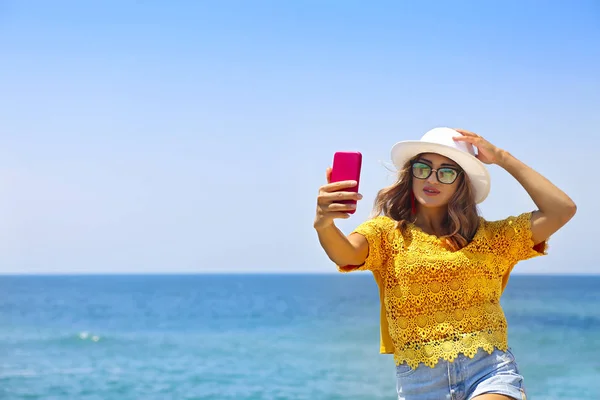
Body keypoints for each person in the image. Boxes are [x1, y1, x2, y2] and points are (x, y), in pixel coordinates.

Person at [313, 127, 576, 400]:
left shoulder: (494, 238)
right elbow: (345, 254)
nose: (432, 179)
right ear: (410, 174)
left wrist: (502, 157)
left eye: (447, 172)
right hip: (420, 383)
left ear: (461, 183)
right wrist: (324, 224)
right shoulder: (386, 235)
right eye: (423, 168)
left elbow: (562, 209)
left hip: (489, 370)